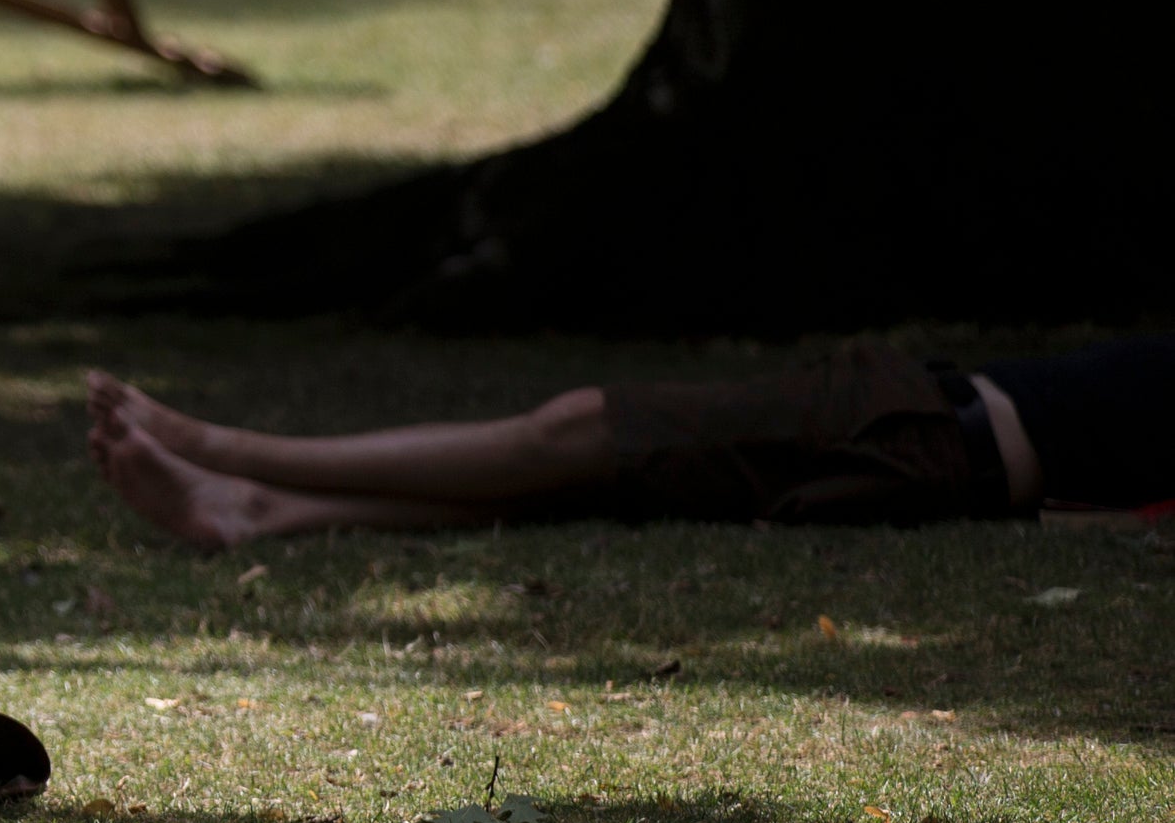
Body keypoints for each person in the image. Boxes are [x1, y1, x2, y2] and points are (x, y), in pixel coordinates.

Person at [85, 337, 1173, 550]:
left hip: (921, 435)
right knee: (584, 475)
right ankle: (258, 508)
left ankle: (232, 450)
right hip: (928, 424)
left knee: (574, 432)